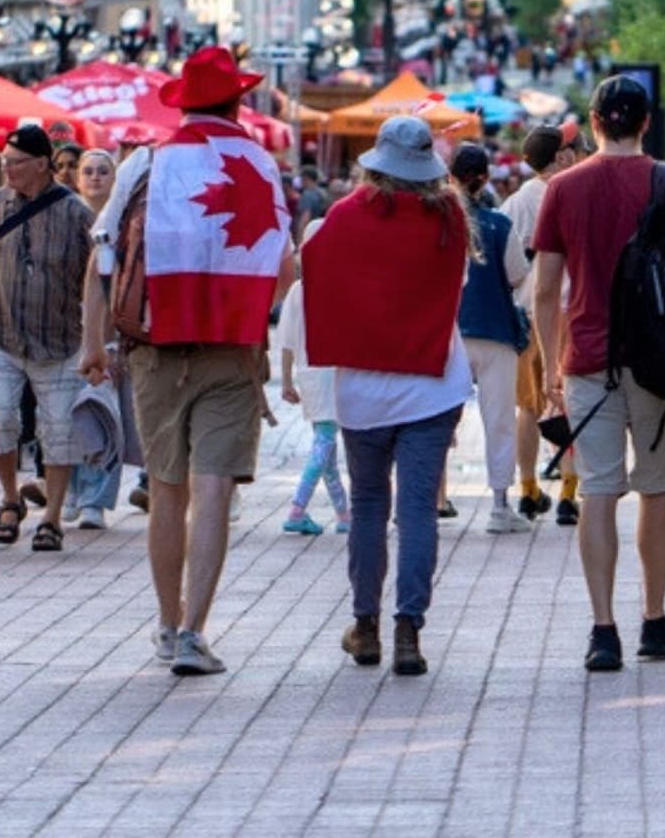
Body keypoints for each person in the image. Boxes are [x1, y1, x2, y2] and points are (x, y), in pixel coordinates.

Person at [82, 48, 293, 675]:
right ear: (236, 103)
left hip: (154, 347)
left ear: (184, 102)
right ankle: (197, 631)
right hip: (231, 350)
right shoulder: (258, 163)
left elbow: (103, 257)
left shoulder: (146, 162)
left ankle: (167, 623)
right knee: (214, 489)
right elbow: (279, 263)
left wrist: (94, 343)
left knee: (167, 490)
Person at [533, 75, 665, 671]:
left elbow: (544, 291)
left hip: (588, 357)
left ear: (593, 123)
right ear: (645, 123)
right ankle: (654, 618)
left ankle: (602, 628)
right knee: (657, 486)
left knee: (598, 491)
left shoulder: (562, 187)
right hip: (660, 359)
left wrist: (549, 367)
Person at [304, 115, 472, 677]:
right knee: (418, 509)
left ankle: (365, 625)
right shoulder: (450, 217)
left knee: (370, 506)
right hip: (433, 384)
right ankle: (409, 631)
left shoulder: (347, 215)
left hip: (364, 392)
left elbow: (313, 264)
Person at [0, 125, 95, 553]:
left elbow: (99, 277)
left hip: (60, 340)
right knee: (1, 420)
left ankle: (52, 518)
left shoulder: (76, 213)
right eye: (3, 162)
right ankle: (11, 500)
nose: (6, 169)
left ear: (42, 164)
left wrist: (100, 340)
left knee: (60, 429)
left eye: (15, 162)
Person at [499, 123, 581, 522]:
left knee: (528, 407)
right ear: (561, 156)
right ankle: (568, 492)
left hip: (526, 311)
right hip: (571, 310)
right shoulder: (574, 194)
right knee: (572, 401)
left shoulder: (515, 203)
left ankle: (528, 489)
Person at [451, 141, 533, 534]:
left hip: (450, 332)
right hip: (497, 330)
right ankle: (500, 504)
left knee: (435, 417)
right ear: (485, 179)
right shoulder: (500, 224)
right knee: (498, 418)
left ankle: (428, 497)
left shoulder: (441, 222)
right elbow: (518, 276)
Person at [278, 216, 349, 536]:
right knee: (324, 443)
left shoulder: (297, 290)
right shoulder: (345, 286)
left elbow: (286, 341)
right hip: (334, 374)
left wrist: (288, 381)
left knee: (327, 448)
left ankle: (344, 515)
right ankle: (297, 508)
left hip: (309, 374)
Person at [66, 149, 122, 530]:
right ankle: (70, 489)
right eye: (88, 171)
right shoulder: (67, 220)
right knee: (67, 416)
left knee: (105, 417)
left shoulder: (122, 224)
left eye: (103, 171)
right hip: (66, 333)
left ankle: (96, 500)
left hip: (112, 333)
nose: (95, 177)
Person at [294, 165, 330, 242]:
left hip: (309, 234)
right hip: (321, 233)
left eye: (302, 179)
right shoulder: (324, 193)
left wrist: (299, 241)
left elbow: (305, 218)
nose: (300, 182)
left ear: (306, 178)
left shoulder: (307, 195)